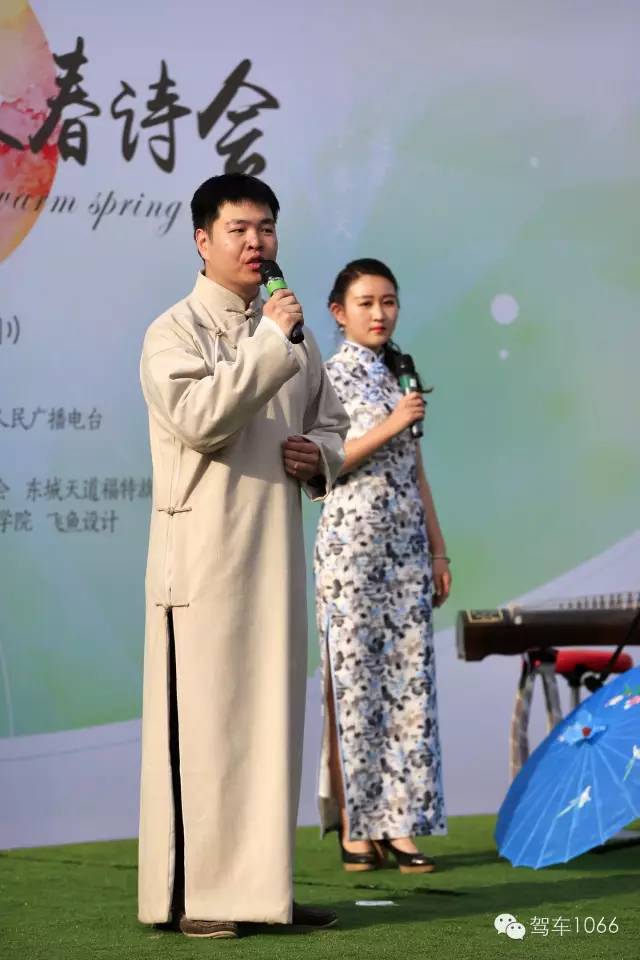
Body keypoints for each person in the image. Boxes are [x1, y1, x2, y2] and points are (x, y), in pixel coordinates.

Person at [137, 173, 349, 938]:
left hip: (275, 557)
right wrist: (269, 343)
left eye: (266, 227)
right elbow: (200, 419)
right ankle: (199, 899)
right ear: (203, 240)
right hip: (203, 562)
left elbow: (331, 422)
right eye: (239, 229)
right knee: (208, 729)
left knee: (268, 728)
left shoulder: (291, 333)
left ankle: (264, 894)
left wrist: (319, 456)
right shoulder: (173, 331)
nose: (257, 242)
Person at [314, 258, 450, 874]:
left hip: (406, 551)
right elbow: (326, 460)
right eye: (366, 302)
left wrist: (438, 548)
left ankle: (399, 825)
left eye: (388, 301)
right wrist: (395, 422)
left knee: (406, 686)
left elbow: (415, 471)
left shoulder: (400, 374)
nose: (379, 313)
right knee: (353, 685)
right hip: (352, 551)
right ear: (339, 312)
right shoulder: (327, 376)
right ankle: (355, 826)